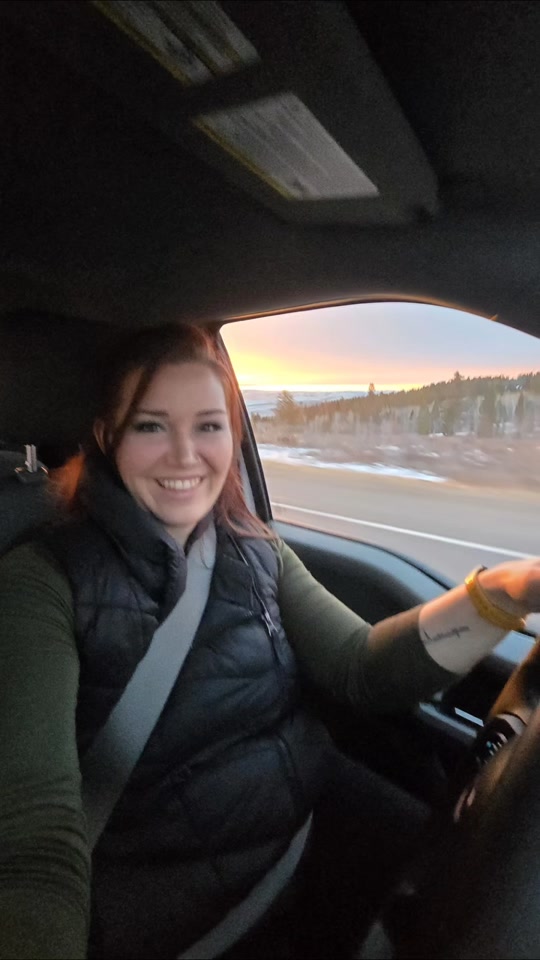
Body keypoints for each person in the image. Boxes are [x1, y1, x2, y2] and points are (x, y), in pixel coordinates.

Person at [1, 323, 539, 960]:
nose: (185, 456)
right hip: (181, 922)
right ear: (106, 436)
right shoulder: (41, 582)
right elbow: (37, 841)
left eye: (208, 426)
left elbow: (362, 668)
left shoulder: (253, 546)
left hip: (302, 840)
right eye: (151, 426)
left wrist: (509, 589)